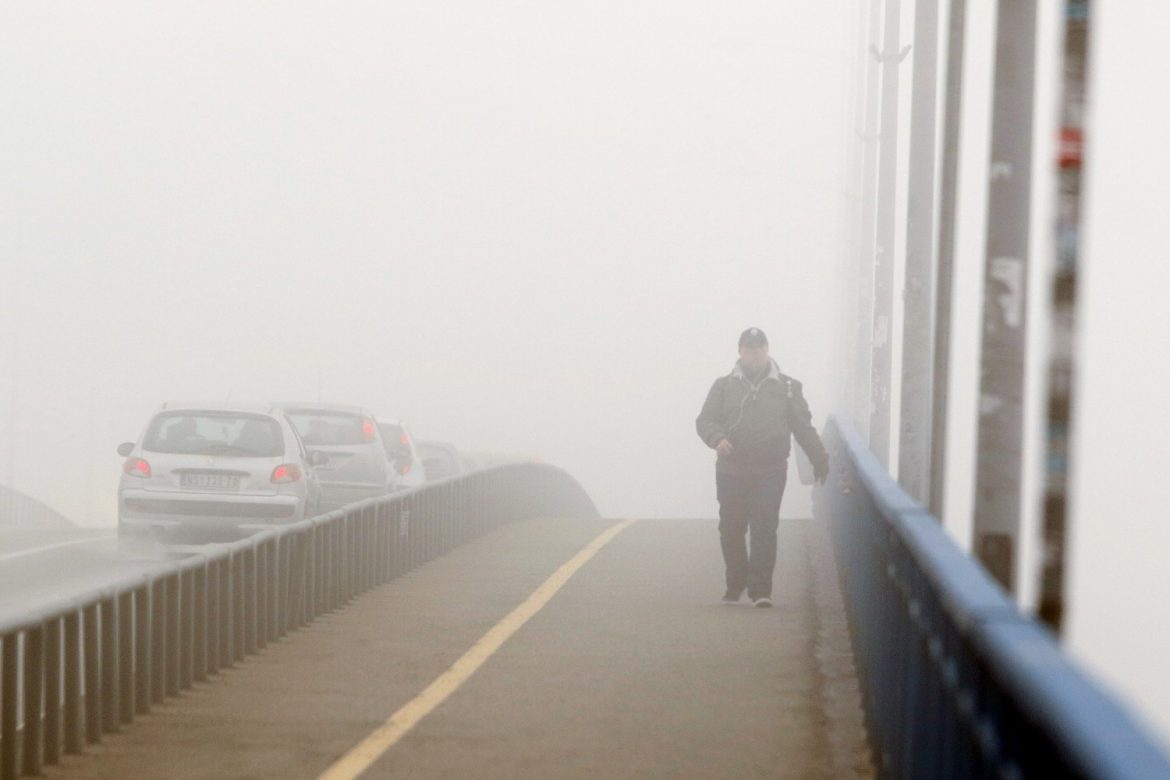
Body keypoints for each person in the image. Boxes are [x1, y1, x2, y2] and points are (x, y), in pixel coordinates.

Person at [695, 327, 829, 608]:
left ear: (767, 350)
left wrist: (820, 458)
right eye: (749, 348)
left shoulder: (788, 387)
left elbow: (802, 427)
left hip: (770, 470)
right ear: (740, 351)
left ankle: (760, 590)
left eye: (759, 348)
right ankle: (735, 583)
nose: (754, 353)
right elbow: (705, 420)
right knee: (731, 528)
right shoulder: (723, 386)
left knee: (764, 527)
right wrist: (716, 438)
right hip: (731, 470)